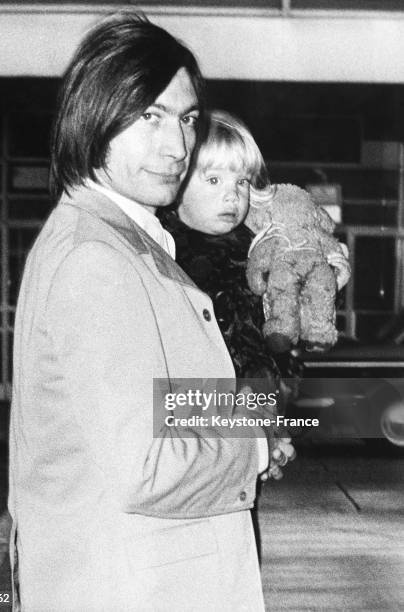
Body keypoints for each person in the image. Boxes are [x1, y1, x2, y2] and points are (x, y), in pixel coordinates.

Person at [9, 14, 276, 612]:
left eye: (185, 119)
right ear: (96, 117)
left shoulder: (119, 239)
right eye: (149, 117)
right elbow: (147, 464)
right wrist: (252, 446)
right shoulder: (97, 259)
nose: (177, 145)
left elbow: (159, 398)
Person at [160, 110, 350, 558]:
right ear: (177, 184)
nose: (232, 195)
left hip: (236, 461)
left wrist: (321, 291)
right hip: (193, 470)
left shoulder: (252, 258)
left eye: (242, 182)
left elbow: (272, 351)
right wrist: (257, 439)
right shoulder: (173, 263)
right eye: (213, 181)